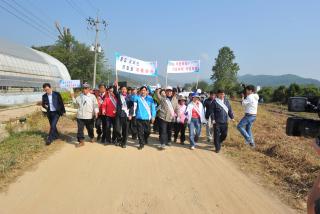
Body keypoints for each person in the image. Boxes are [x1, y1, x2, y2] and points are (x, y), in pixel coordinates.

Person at [72, 83, 99, 147]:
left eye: (86, 88)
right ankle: (81, 141)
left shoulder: (92, 96)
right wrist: (73, 97)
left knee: (90, 128)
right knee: (80, 129)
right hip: (80, 116)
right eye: (83, 88)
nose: (84, 90)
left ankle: (91, 137)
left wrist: (96, 112)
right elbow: (75, 105)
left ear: (89, 89)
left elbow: (95, 105)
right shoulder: (79, 96)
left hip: (89, 116)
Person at [131, 86, 156, 150]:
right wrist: (135, 93)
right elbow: (132, 98)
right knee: (140, 132)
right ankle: (141, 144)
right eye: (142, 90)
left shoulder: (150, 99)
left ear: (146, 91)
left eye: (144, 90)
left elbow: (153, 108)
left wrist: (153, 116)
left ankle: (145, 139)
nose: (143, 91)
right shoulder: (138, 98)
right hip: (139, 118)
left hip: (147, 118)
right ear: (140, 91)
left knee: (148, 131)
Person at [114, 84, 134, 148]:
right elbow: (115, 92)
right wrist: (115, 86)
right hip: (119, 115)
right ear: (120, 90)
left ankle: (124, 143)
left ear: (127, 90)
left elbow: (131, 107)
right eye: (122, 89)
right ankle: (119, 140)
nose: (123, 90)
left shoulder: (130, 97)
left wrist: (131, 114)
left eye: (125, 89)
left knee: (125, 130)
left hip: (126, 115)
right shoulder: (118, 96)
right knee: (117, 129)